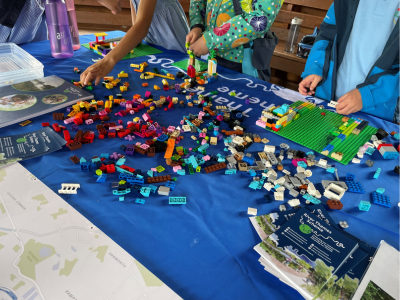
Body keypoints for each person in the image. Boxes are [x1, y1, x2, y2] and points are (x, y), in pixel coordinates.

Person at [299, 1, 399, 123]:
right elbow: (327, 35)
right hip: (327, 100)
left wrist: (367, 95)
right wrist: (316, 68)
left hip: (376, 111)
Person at [81, 0, 189, 86]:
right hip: (154, 44)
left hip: (175, 45)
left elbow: (142, 26)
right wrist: (133, 38)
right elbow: (137, 24)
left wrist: (108, 61)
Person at [186, 0, 282, 81]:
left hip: (243, 61)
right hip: (210, 55)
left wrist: (211, 40)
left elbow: (261, 17)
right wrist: (197, 24)